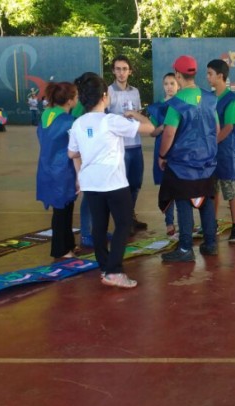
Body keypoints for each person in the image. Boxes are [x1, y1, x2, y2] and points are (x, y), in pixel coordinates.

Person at [67, 72, 154, 288]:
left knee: (99, 225)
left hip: (91, 183)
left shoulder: (78, 124)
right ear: (105, 96)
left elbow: (72, 153)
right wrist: (136, 113)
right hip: (113, 183)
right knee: (124, 223)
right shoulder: (111, 121)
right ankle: (114, 270)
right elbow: (150, 128)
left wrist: (80, 175)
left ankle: (105, 267)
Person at [157, 55, 219, 262]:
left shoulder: (176, 103)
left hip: (183, 164)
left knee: (184, 202)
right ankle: (210, 244)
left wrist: (162, 155)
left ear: (177, 75)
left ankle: (185, 248)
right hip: (207, 163)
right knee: (206, 201)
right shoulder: (210, 98)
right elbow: (216, 128)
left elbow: (168, 134)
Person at [36, 82, 78, 259]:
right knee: (62, 211)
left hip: (46, 167)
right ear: (69, 101)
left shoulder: (46, 114)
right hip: (62, 170)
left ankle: (68, 243)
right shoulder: (69, 121)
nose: (77, 99)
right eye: (75, 96)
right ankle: (60, 249)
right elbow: (75, 149)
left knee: (63, 208)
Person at [107, 55, 148, 234]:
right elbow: (105, 118)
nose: (121, 73)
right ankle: (123, 222)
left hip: (136, 144)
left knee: (136, 183)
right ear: (113, 71)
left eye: (124, 69)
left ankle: (130, 216)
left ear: (129, 71)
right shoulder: (109, 92)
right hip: (119, 147)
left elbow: (137, 114)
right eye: (118, 69)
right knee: (121, 185)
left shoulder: (135, 91)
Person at [207, 59, 235, 243]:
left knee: (230, 191)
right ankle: (212, 224)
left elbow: (229, 126)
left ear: (220, 76)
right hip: (212, 154)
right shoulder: (210, 98)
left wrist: (212, 143)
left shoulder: (231, 99)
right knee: (213, 190)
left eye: (210, 74)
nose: (207, 77)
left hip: (226, 152)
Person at [148, 72, 180, 235]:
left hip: (180, 150)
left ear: (178, 85)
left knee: (182, 186)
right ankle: (169, 222)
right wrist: (161, 128)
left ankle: (185, 220)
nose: (169, 87)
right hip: (163, 150)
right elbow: (151, 132)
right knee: (167, 187)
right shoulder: (157, 107)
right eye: (166, 84)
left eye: (172, 83)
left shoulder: (183, 104)